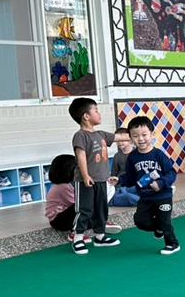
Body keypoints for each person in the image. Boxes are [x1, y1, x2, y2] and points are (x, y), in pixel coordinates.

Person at [120, 115, 180, 255]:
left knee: (165, 221)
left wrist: (161, 183)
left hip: (163, 196)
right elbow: (130, 178)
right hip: (145, 198)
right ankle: (158, 227)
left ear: (152, 135)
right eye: (135, 136)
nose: (140, 139)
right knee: (140, 221)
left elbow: (171, 173)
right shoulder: (132, 157)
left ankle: (172, 243)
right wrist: (118, 181)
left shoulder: (159, 155)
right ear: (131, 138)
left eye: (144, 134)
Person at [69, 97, 120, 254]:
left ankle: (100, 237)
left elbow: (119, 137)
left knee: (101, 208)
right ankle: (78, 238)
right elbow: (81, 156)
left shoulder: (101, 134)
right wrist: (85, 176)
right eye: (96, 110)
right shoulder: (80, 135)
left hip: (101, 180)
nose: (99, 113)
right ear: (86, 116)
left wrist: (139, 136)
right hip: (86, 180)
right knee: (85, 209)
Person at [45, 154, 77, 234]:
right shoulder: (64, 187)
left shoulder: (60, 185)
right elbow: (76, 202)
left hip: (57, 219)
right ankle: (76, 231)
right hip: (58, 221)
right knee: (82, 205)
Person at [109, 128, 140, 207]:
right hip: (121, 185)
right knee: (127, 196)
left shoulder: (138, 153)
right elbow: (114, 173)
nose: (120, 143)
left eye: (122, 140)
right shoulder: (117, 156)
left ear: (130, 140)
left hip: (135, 184)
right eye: (118, 141)